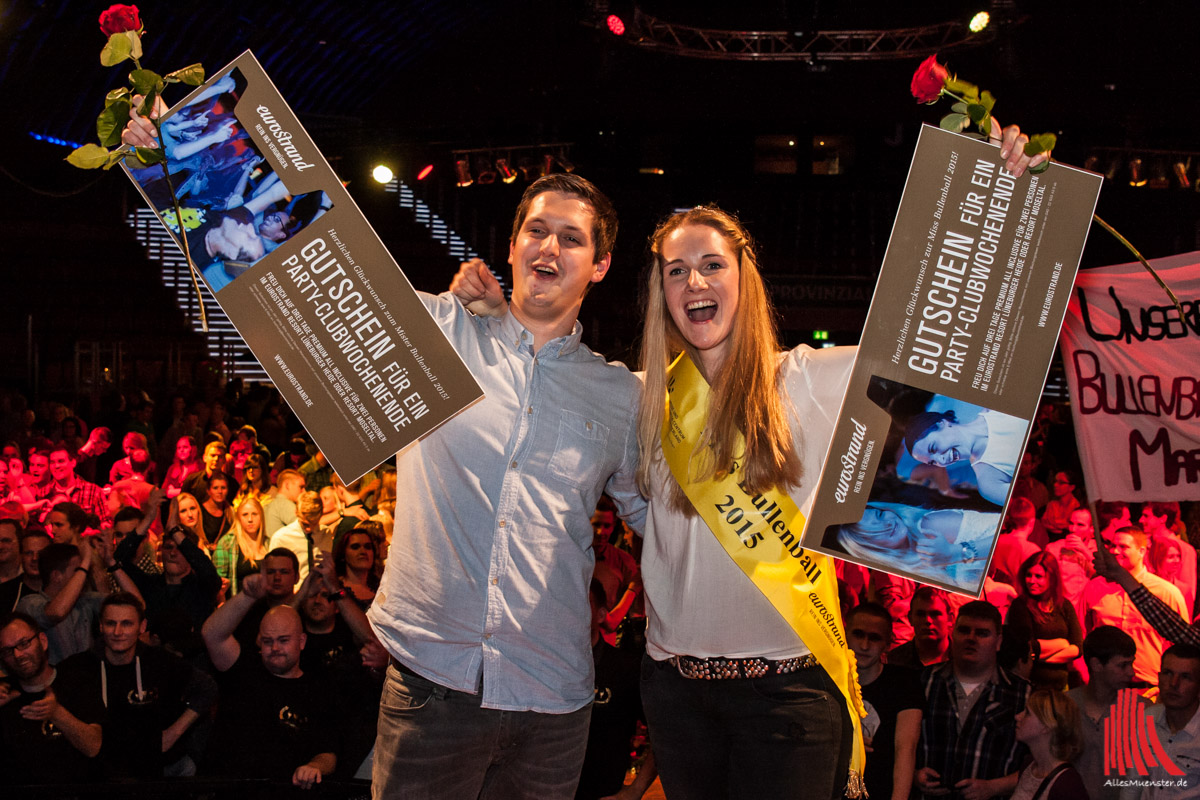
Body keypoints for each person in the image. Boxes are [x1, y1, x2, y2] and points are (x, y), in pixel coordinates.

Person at [57, 592, 217, 778]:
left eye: (126, 623)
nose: (117, 632)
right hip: (102, 774)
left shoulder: (160, 662)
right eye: (110, 623)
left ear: (142, 626)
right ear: (100, 625)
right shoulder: (80, 666)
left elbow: (207, 688)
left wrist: (173, 733)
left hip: (157, 771)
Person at [917, 601, 1030, 800]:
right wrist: (914, 774)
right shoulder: (925, 682)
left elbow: (1040, 764)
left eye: (982, 633)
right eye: (964, 630)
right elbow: (896, 745)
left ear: (998, 641)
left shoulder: (1023, 694)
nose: (971, 638)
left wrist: (994, 787)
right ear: (953, 634)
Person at [0, 612, 104, 784]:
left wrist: (56, 713)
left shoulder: (76, 682)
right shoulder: (5, 692)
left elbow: (93, 746)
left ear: (43, 641)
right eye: (7, 651)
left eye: (24, 644)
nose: (18, 655)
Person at [1086, 526, 1188, 692]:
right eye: (1112, 546)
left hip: (1148, 690)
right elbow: (1084, 635)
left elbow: (1182, 646)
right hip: (1104, 690)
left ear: (1142, 551)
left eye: (1123, 547)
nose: (1115, 551)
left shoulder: (1166, 593)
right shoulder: (1094, 588)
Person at [847, 601, 922, 800]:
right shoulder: (830, 682)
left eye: (874, 638)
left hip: (881, 790)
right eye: (858, 634)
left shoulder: (904, 683)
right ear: (845, 635)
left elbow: (906, 748)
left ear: (887, 643)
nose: (864, 645)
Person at [833, 501, 996, 590]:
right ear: (870, 549)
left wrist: (957, 552)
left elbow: (1004, 532)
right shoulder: (906, 579)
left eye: (880, 514)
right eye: (874, 530)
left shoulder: (930, 525)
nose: (888, 523)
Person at [903, 407, 1026, 506]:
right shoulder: (988, 483)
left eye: (933, 448)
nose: (941, 460)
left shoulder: (995, 407)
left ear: (942, 423)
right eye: (933, 462)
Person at [1067, 626, 1138, 799]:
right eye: (1123, 665)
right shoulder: (1065, 706)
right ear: (1097, 665)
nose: (1131, 672)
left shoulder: (1141, 711)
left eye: (1131, 663)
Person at [1127, 643, 1200, 799]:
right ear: (1158, 678)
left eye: (1185, 677)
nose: (1174, 683)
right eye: (1168, 673)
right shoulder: (1147, 720)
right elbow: (1133, 784)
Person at [1005, 551, 1082, 690]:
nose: (1032, 581)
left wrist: (1039, 658)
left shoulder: (1064, 605)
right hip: (1032, 687)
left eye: (1038, 576)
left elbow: (1077, 648)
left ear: (1052, 578)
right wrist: (1062, 643)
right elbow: (1026, 648)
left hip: (1061, 687)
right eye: (1029, 575)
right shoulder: (1020, 605)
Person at [1011, 689, 1089, 799]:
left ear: (1046, 726)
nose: (1018, 716)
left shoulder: (1067, 784)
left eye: (1027, 713)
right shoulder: (1029, 766)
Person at [214, 495, 268, 597]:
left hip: (265, 606)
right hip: (238, 606)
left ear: (261, 516)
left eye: (254, 514)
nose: (250, 519)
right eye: (245, 515)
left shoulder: (268, 543)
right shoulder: (227, 543)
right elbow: (217, 582)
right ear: (238, 518)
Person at [887, 585, 953, 669]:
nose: (928, 620)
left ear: (950, 618)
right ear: (910, 618)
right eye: (920, 614)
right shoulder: (895, 660)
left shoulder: (964, 657)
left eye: (935, 614)